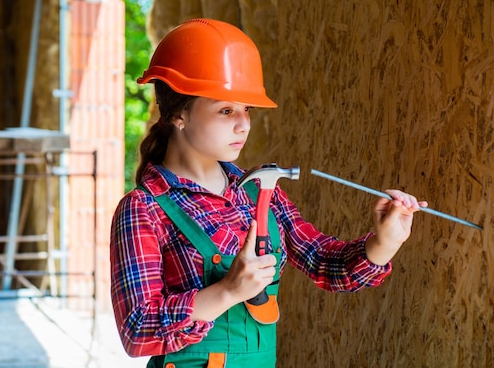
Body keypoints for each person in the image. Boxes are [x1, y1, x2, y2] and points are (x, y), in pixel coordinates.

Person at [110, 18, 427, 368]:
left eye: (247, 110)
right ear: (177, 114)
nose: (243, 123)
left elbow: (323, 262)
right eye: (226, 110)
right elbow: (137, 332)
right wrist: (227, 291)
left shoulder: (261, 193)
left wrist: (386, 242)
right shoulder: (144, 208)